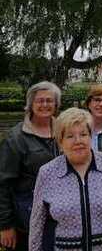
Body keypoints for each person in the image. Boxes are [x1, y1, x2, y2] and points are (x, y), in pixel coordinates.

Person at [29, 107, 102, 251]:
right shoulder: (48, 172)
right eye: (70, 136)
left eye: (83, 134)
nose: (78, 141)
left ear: (91, 136)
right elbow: (37, 223)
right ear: (60, 141)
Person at [0, 81, 61, 251]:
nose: (45, 104)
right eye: (39, 100)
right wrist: (5, 225)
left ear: (56, 104)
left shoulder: (64, 130)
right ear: (30, 104)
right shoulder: (15, 138)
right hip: (25, 221)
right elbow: (3, 184)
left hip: (60, 218)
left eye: (49, 100)